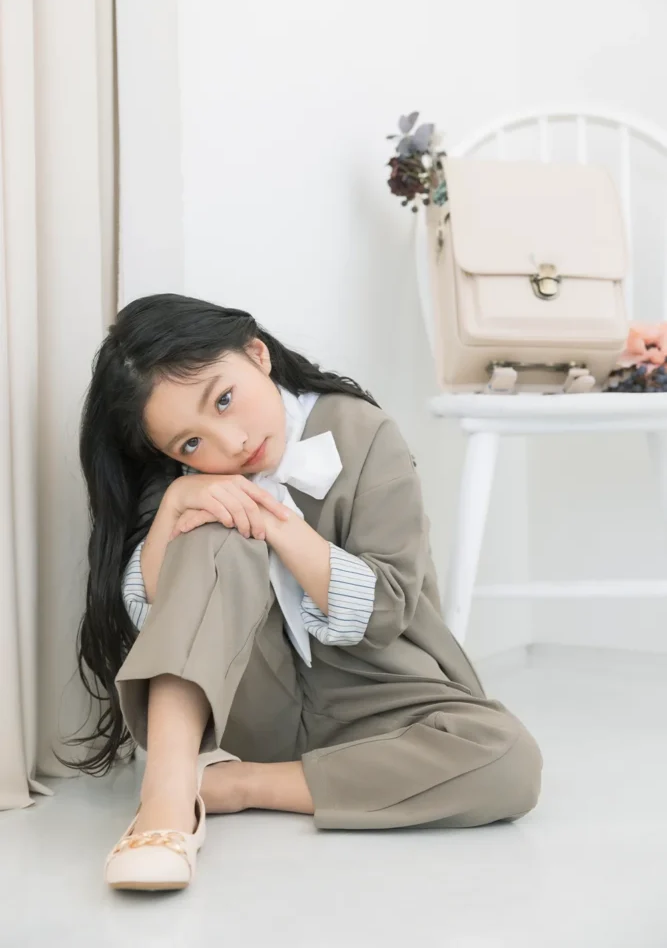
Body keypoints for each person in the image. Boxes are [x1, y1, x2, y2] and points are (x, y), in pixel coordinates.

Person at [63, 293, 542, 893]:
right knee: (211, 524)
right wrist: (177, 507)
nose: (229, 443)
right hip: (251, 710)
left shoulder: (362, 433)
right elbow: (156, 617)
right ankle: (165, 802)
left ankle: (239, 785)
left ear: (257, 354)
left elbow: (388, 610)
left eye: (224, 399)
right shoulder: (187, 480)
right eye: (189, 444)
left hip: (379, 697)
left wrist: (278, 526)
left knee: (509, 760)